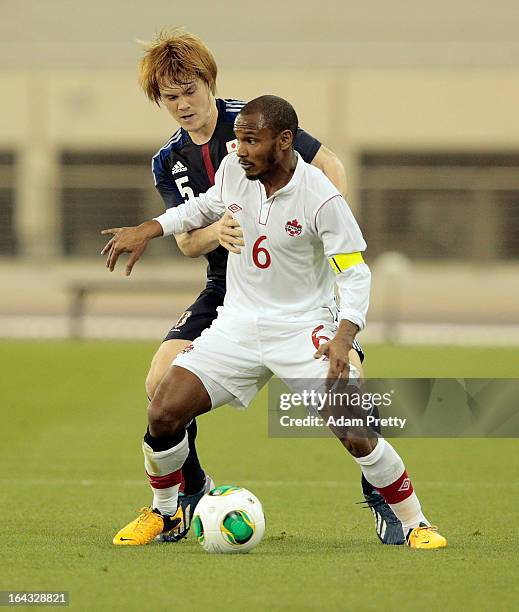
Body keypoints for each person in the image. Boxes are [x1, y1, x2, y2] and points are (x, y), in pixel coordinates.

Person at [102, 95, 447, 550]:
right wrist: (149, 228)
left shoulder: (320, 197)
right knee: (163, 410)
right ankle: (167, 514)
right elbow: (201, 208)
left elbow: (355, 272)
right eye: (238, 139)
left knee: (353, 425)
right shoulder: (234, 171)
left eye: (250, 141)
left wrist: (345, 335)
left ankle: (415, 522)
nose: (238, 149)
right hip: (237, 326)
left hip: (302, 327)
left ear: (284, 142)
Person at [132, 28, 403, 544]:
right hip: (227, 286)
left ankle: (382, 498)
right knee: (159, 383)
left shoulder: (252, 121)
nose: (183, 104)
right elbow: (189, 243)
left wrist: (312, 236)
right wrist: (218, 229)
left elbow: (330, 168)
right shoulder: (167, 161)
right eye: (171, 97)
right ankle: (188, 494)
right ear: (159, 101)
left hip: (296, 283)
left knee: (346, 388)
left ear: (210, 82)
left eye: (191, 90)